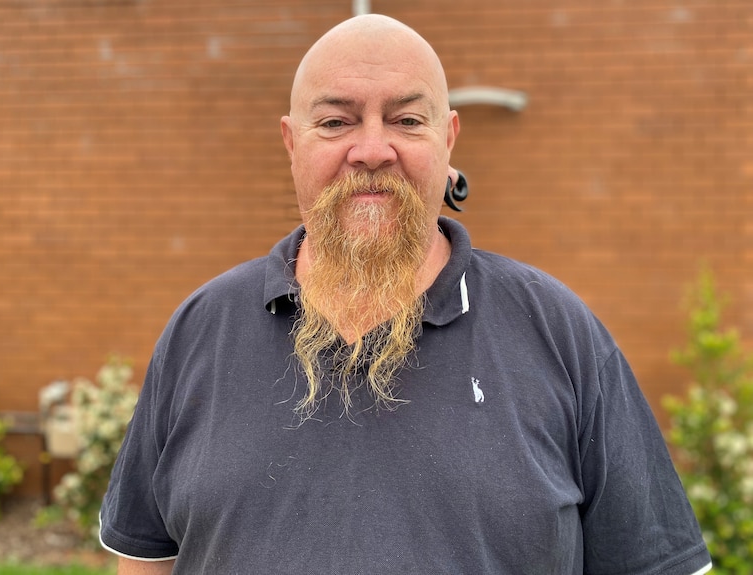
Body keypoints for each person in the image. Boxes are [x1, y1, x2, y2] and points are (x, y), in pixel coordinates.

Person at [99, 14, 712, 575]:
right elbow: (147, 560)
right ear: (292, 143)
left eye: (406, 120)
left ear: (449, 139)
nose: (371, 150)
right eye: (336, 121)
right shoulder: (201, 328)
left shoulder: (559, 332)